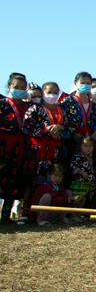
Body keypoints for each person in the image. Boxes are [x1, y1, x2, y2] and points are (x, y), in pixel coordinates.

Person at [22, 81, 69, 181]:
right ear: (43, 92)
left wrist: (61, 128)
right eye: (49, 92)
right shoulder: (35, 108)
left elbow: (71, 127)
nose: (52, 95)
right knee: (32, 178)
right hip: (37, 150)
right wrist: (45, 130)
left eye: (55, 92)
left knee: (55, 178)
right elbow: (26, 126)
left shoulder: (63, 110)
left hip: (57, 151)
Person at [1, 73, 32, 222]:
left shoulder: (30, 107)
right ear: (9, 87)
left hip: (21, 148)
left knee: (13, 181)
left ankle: (5, 216)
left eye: (22, 88)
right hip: (3, 145)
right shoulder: (2, 104)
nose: (19, 90)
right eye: (16, 87)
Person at [69, 135, 96, 218]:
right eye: (85, 146)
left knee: (83, 199)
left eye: (90, 146)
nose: (88, 148)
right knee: (77, 198)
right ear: (80, 146)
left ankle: (79, 215)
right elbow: (73, 167)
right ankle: (73, 216)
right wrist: (81, 172)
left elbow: (91, 170)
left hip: (87, 183)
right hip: (79, 182)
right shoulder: (77, 157)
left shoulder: (90, 158)